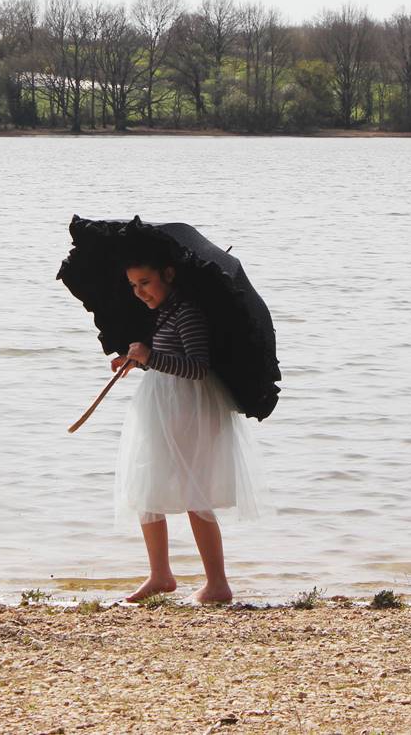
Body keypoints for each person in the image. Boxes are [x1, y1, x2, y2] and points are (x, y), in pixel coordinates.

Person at [113, 253, 269, 604]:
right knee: (145, 485)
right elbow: (168, 361)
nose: (139, 292)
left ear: (168, 274)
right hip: (164, 407)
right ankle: (160, 574)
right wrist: (136, 361)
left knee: (193, 493)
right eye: (133, 286)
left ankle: (217, 583)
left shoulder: (187, 312)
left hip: (187, 411)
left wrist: (149, 357)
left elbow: (196, 367)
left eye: (146, 283)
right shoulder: (164, 312)